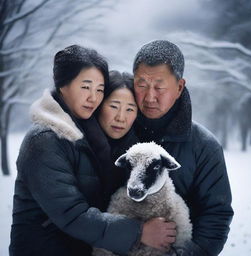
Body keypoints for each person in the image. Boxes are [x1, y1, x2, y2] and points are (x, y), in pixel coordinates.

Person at [9, 45, 174, 256]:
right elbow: (71, 214)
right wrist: (139, 232)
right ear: (63, 86)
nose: (93, 97)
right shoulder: (45, 140)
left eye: (99, 89)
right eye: (85, 87)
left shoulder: (93, 136)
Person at [132, 40, 234, 256]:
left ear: (179, 87)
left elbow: (216, 215)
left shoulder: (205, 146)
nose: (150, 97)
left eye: (159, 87)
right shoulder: (116, 132)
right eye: (142, 85)